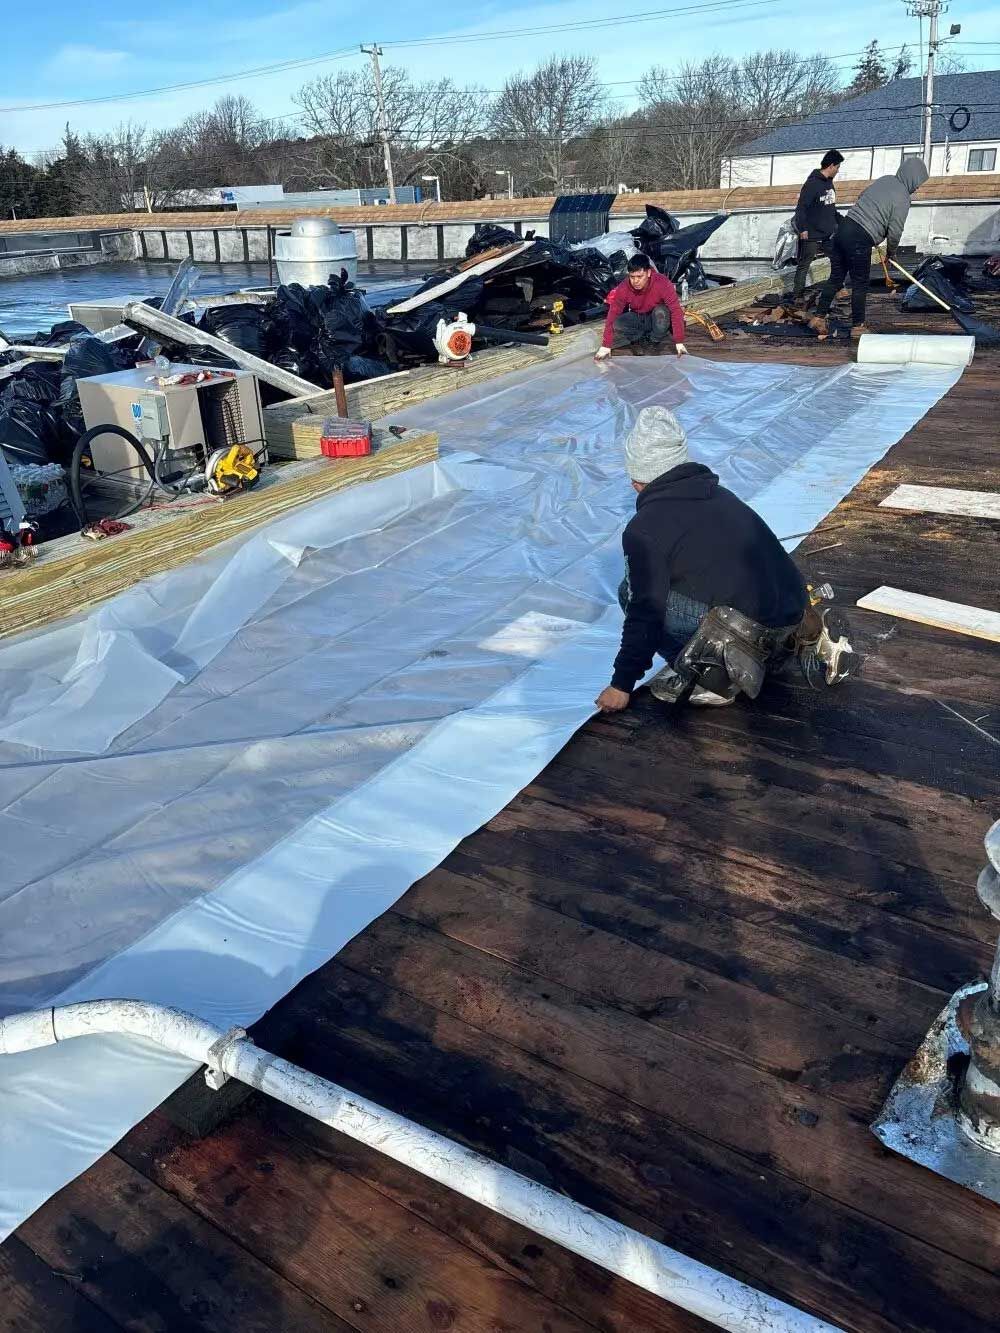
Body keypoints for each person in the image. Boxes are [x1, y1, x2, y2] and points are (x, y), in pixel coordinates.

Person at [594, 407, 856, 712]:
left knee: (630, 590)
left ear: (637, 479)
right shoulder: (721, 496)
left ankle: (710, 676)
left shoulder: (644, 529)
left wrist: (621, 684)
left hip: (750, 639)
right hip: (789, 618)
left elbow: (646, 611)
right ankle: (806, 639)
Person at [810, 156, 929, 339]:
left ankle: (818, 318)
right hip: (860, 237)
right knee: (860, 283)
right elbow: (895, 230)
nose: (917, 187)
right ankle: (858, 326)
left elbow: (861, 196)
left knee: (836, 278)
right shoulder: (903, 197)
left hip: (845, 228)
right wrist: (891, 253)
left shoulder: (886, 179)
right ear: (913, 177)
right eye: (918, 183)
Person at [594, 254, 688, 360]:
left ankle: (653, 341)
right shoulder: (624, 288)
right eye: (632, 277)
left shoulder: (662, 283)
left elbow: (675, 310)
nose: (635, 281)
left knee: (661, 312)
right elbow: (613, 313)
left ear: (648, 273)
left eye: (639, 277)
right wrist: (606, 345)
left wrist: (679, 341)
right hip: (639, 316)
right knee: (618, 323)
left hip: (657, 318)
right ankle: (639, 340)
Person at [791, 149, 844, 303]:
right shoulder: (812, 184)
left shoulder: (829, 184)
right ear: (831, 166)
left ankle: (839, 288)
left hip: (828, 232)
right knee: (805, 264)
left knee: (837, 260)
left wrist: (842, 222)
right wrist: (803, 229)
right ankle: (797, 295)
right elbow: (801, 208)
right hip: (811, 232)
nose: (838, 170)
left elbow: (831, 207)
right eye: (838, 167)